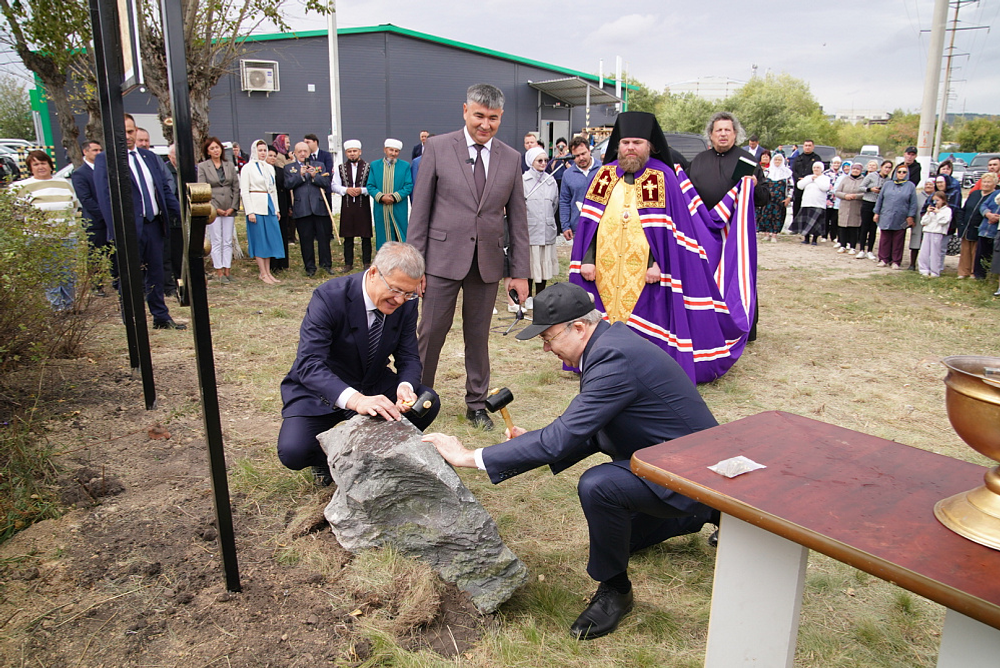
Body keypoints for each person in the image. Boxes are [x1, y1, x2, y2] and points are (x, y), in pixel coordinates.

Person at [423, 282, 719, 641]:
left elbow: (560, 438)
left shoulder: (612, 358)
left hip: (690, 473)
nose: (546, 348)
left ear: (578, 327)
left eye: (548, 338)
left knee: (600, 487)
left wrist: (468, 456)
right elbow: (591, 429)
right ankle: (700, 514)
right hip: (669, 459)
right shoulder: (609, 344)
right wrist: (536, 440)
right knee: (624, 540)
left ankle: (616, 590)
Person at [570, 111, 758, 383]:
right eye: (625, 143)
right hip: (605, 269)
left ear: (650, 146)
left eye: (637, 143)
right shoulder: (604, 175)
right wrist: (587, 259)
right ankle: (601, 362)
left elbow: (672, 231)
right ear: (617, 146)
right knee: (603, 315)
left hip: (646, 272)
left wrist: (658, 264)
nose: (631, 148)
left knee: (645, 319)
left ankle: (640, 367)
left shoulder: (663, 177)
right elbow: (591, 225)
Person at [407, 83, 529, 430]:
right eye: (479, 116)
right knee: (430, 332)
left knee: (478, 336)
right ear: (465, 111)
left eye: (493, 118)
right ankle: (417, 400)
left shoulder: (511, 158)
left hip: (487, 263)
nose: (485, 124)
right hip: (440, 260)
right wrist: (415, 267)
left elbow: (518, 220)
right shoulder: (438, 148)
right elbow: (420, 211)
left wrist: (519, 272)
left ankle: (476, 404)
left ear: (501, 117)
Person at [278, 242, 440, 485]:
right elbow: (309, 364)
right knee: (294, 450)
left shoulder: (406, 303)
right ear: (374, 273)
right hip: (324, 390)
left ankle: (374, 458)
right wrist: (355, 400)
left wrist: (405, 386)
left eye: (409, 293)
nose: (400, 300)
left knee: (426, 402)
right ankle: (329, 460)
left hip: (372, 381)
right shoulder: (329, 297)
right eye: (395, 290)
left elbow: (408, 356)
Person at [94, 113, 185, 329]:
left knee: (155, 272)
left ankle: (161, 317)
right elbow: (106, 198)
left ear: (136, 131)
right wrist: (117, 231)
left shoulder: (149, 157)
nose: (127, 136)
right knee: (129, 275)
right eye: (122, 132)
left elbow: (163, 190)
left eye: (130, 131)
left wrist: (183, 217)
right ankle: (132, 318)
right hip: (127, 229)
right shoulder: (107, 159)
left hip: (153, 225)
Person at [13, 150, 80, 310]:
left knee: (68, 272)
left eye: (43, 163)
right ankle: (57, 307)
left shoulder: (64, 184)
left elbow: (73, 207)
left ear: (50, 165)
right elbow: (18, 213)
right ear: (30, 167)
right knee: (50, 273)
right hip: (41, 237)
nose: (40, 167)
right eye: (35, 164)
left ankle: (69, 305)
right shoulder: (21, 186)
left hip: (66, 236)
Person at [686, 111, 770, 212]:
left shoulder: (747, 160)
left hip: (734, 221)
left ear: (735, 134)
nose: (723, 134)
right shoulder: (698, 160)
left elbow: (764, 199)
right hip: (703, 220)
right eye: (719, 130)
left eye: (727, 130)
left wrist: (755, 186)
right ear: (711, 134)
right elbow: (683, 191)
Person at [284, 141, 332, 277]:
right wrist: (300, 175)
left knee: (324, 238)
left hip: (319, 207)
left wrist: (315, 176)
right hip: (302, 208)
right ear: (294, 153)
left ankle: (326, 265)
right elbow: (288, 184)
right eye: (299, 151)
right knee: (305, 240)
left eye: (305, 151)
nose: (302, 154)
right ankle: (310, 267)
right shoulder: (289, 168)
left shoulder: (319, 165)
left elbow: (326, 183)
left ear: (309, 152)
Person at [240, 139, 284, 284]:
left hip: (269, 205)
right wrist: (250, 211)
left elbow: (273, 190)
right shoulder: (248, 168)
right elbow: (244, 191)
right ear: (254, 151)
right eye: (260, 150)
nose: (263, 153)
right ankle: (262, 272)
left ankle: (268, 271)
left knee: (270, 238)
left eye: (265, 150)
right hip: (256, 205)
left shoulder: (269, 168)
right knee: (260, 239)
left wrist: (276, 209)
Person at [197, 136, 241, 284]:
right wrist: (215, 208)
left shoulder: (229, 165)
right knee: (216, 240)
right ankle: (219, 271)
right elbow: (202, 188)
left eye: (217, 147)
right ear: (207, 151)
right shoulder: (203, 167)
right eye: (212, 148)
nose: (216, 150)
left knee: (227, 240)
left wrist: (233, 206)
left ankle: (228, 270)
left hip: (229, 207)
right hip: (213, 208)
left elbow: (236, 187)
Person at [521, 146, 559, 306]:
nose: (543, 163)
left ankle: (540, 296)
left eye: (545, 160)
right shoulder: (523, 180)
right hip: (531, 229)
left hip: (546, 229)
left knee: (544, 265)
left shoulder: (551, 180)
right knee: (531, 264)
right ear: (531, 162)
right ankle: (528, 296)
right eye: (539, 160)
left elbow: (554, 203)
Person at [71, 140, 111, 280]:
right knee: (96, 255)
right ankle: (96, 284)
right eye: (95, 150)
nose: (98, 153)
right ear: (85, 152)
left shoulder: (106, 170)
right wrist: (105, 214)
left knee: (114, 254)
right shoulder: (80, 173)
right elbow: (86, 199)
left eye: (100, 150)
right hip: (96, 222)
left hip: (111, 222)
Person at [366, 139, 413, 248]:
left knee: (401, 234)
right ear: (385, 150)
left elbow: (408, 186)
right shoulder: (375, 165)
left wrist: (394, 197)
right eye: (391, 150)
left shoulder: (405, 166)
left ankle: (401, 256)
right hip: (381, 207)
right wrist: (382, 197)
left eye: (396, 151)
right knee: (382, 233)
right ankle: (384, 257)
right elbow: (370, 185)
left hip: (398, 206)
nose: (393, 153)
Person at [336, 139, 373, 271]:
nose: (352, 154)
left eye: (354, 151)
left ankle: (367, 262)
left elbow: (373, 185)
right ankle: (348, 263)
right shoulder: (340, 168)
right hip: (347, 205)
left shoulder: (368, 167)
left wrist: (362, 190)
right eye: (349, 151)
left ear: (360, 152)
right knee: (348, 235)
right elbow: (334, 185)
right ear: (346, 153)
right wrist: (346, 190)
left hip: (363, 204)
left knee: (365, 235)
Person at [873, 163, 918, 269]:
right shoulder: (887, 184)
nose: (901, 174)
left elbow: (913, 203)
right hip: (886, 215)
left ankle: (896, 261)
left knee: (898, 240)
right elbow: (880, 199)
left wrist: (910, 216)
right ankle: (883, 259)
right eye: (899, 172)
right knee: (885, 238)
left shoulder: (910, 186)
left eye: (904, 172)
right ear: (895, 173)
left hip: (901, 216)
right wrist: (876, 212)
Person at [559, 136, 601, 241]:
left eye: (583, 154)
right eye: (577, 156)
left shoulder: (603, 169)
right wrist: (565, 226)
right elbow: (564, 201)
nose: (581, 158)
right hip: (578, 227)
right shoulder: (568, 175)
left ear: (589, 151)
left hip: (601, 225)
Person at [957, 173, 994, 279]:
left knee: (976, 251)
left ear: (994, 184)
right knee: (965, 251)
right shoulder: (975, 194)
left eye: (989, 182)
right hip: (967, 226)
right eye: (984, 182)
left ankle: (974, 273)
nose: (986, 184)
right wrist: (961, 223)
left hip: (981, 228)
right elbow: (964, 209)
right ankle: (963, 272)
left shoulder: (994, 196)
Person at [858, 160, 891, 260]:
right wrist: (870, 189)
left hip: (879, 205)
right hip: (868, 202)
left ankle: (870, 250)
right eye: (886, 167)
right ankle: (861, 249)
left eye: (889, 168)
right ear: (881, 167)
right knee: (864, 227)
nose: (887, 169)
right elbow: (861, 187)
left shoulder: (888, 180)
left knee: (873, 228)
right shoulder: (871, 175)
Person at [266, 146, 293, 273]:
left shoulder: (280, 171)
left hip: (282, 205)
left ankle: (283, 263)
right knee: (271, 235)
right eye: (270, 155)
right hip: (268, 205)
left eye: (274, 156)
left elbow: (287, 189)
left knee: (282, 234)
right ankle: (272, 264)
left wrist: (289, 206)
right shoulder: (262, 171)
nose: (272, 158)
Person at [790, 161, 830, 245]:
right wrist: (810, 179)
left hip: (818, 204)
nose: (816, 169)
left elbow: (825, 188)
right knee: (806, 222)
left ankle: (815, 240)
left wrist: (816, 179)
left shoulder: (825, 178)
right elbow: (800, 186)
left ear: (822, 169)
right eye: (814, 167)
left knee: (816, 223)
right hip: (807, 203)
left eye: (818, 168)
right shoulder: (809, 177)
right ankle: (806, 238)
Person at [758, 152, 791, 243]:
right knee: (765, 215)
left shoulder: (787, 173)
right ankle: (766, 234)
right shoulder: (767, 172)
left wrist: (789, 198)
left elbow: (791, 186)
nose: (777, 161)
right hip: (767, 198)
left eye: (779, 160)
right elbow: (762, 184)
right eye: (776, 159)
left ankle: (774, 235)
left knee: (777, 216)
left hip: (780, 199)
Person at [917, 191, 952, 278]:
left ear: (943, 200)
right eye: (934, 200)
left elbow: (943, 221)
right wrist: (928, 213)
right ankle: (924, 270)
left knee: (935, 253)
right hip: (927, 231)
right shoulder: (931, 209)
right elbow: (923, 222)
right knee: (924, 252)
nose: (936, 202)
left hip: (937, 232)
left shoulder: (947, 210)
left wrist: (938, 213)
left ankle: (935, 271)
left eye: (938, 200)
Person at [834, 161, 866, 255]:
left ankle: (852, 247)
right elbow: (837, 192)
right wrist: (845, 195)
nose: (855, 171)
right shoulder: (845, 179)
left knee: (853, 228)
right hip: (844, 205)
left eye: (857, 169)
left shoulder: (863, 180)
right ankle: (843, 245)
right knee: (842, 227)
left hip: (856, 206)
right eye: (854, 169)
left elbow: (865, 193)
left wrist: (856, 196)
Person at [790, 141, 822, 217]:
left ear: (813, 147)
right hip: (799, 186)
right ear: (803, 147)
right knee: (797, 208)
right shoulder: (798, 158)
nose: (807, 147)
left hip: (811, 187)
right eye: (806, 145)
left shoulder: (816, 158)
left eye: (809, 145)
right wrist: (799, 179)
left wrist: (808, 179)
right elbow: (793, 171)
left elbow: (818, 172)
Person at [975, 180, 1000, 280]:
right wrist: (988, 214)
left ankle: (992, 277)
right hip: (985, 228)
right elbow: (983, 205)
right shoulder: (996, 193)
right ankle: (979, 276)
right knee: (981, 253)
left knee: (994, 255)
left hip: (996, 230)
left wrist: (997, 218)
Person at [823, 157, 842, 244]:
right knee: (826, 218)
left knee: (835, 219)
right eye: (835, 163)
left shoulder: (842, 174)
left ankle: (833, 236)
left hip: (837, 199)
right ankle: (824, 235)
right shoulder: (826, 173)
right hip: (828, 198)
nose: (836, 165)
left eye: (838, 163)